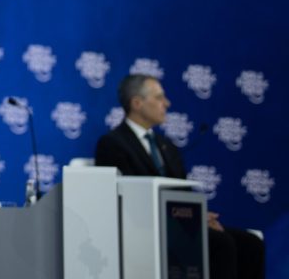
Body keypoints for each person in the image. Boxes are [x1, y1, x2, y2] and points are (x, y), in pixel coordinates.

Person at [95, 74, 264, 279]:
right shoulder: (112, 143)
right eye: (159, 97)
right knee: (221, 243)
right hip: (145, 227)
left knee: (251, 243)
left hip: (183, 222)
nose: (167, 103)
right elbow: (126, 199)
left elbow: (184, 191)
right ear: (137, 103)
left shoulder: (166, 145)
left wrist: (198, 215)